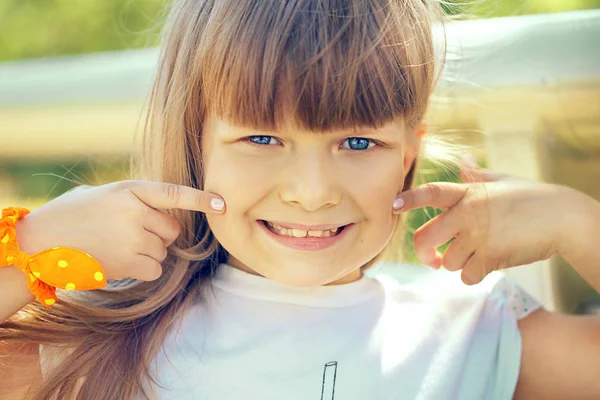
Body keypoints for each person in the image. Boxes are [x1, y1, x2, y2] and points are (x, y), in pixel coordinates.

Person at [1, 0, 599, 399]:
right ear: (194, 142)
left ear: (409, 155)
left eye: (358, 141)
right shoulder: (104, 333)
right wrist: (34, 243)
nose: (310, 192)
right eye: (261, 138)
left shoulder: (471, 329)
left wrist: (577, 221)